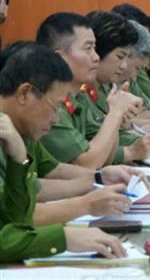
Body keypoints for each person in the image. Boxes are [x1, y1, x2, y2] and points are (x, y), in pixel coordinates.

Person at [0, 42, 132, 260]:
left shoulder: (19, 131)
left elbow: (17, 222)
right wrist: (64, 238)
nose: (56, 119)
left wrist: (19, 160)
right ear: (24, 93)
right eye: (56, 107)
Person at [36, 13, 150, 167]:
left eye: (95, 48)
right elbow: (85, 163)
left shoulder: (78, 96)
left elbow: (105, 152)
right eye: (88, 49)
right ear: (60, 58)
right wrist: (116, 113)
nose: (96, 57)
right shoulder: (45, 101)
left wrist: (116, 115)